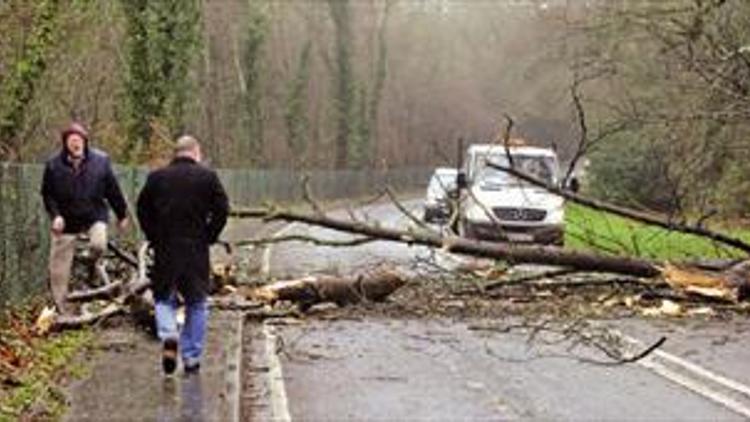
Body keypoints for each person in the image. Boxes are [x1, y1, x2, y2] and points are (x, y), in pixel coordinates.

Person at [136, 135, 229, 375]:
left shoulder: (157, 178)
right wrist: (210, 235)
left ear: (175, 153)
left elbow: (142, 208)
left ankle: (169, 334)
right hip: (196, 248)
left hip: (166, 247)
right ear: (195, 152)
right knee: (196, 303)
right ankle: (191, 358)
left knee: (164, 298)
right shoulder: (207, 177)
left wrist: (154, 235)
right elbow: (222, 209)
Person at [41, 122, 129, 315]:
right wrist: (55, 216)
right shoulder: (53, 165)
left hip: (94, 214)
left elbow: (113, 190)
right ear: (65, 143)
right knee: (58, 269)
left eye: (79, 140)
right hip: (66, 219)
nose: (76, 144)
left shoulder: (101, 161)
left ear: (85, 142)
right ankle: (62, 308)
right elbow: (47, 195)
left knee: (98, 245)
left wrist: (122, 214)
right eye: (72, 141)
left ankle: (92, 264)